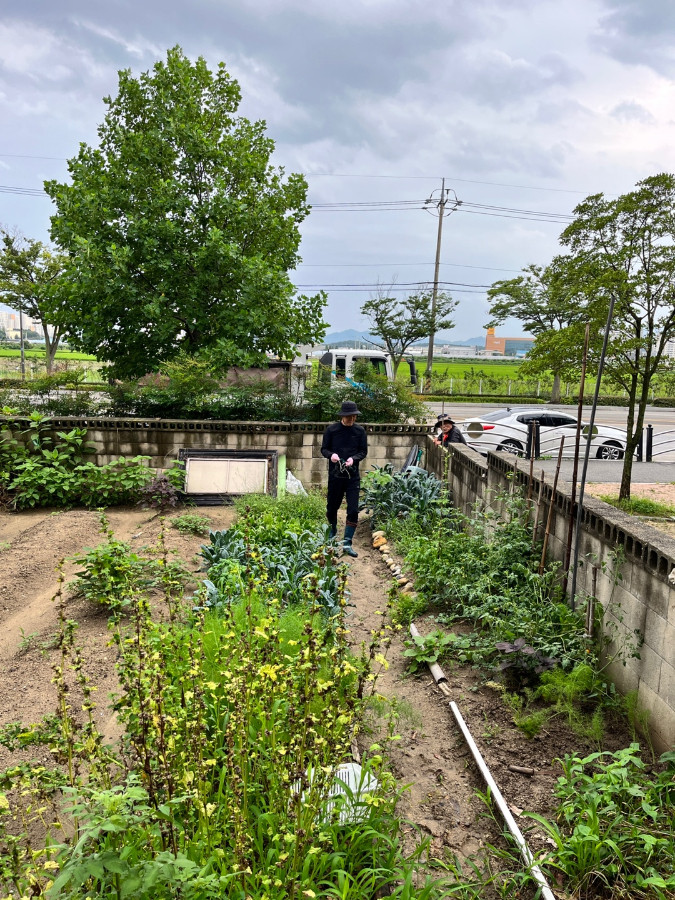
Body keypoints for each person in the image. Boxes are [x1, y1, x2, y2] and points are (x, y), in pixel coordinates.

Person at [321, 400, 368, 557]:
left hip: (352, 475)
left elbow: (363, 451)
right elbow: (324, 449)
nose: (352, 420)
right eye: (349, 417)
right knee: (332, 507)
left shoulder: (360, 431)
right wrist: (331, 455)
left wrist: (354, 459)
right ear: (342, 416)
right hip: (335, 475)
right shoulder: (332, 430)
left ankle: (347, 543)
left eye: (354, 417)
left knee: (353, 509)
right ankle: (332, 540)